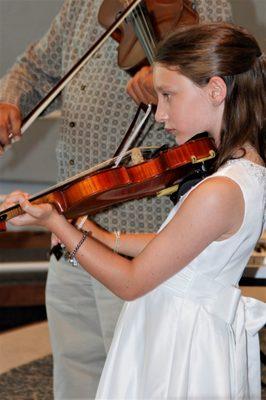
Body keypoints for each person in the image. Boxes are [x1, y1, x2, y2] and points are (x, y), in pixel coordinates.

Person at [2, 22, 266, 399]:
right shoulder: (243, 170)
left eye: (168, 95)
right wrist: (104, 237)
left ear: (215, 90)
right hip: (183, 331)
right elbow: (181, 250)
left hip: (178, 345)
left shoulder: (220, 190)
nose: (159, 114)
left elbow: (132, 283)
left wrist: (57, 225)